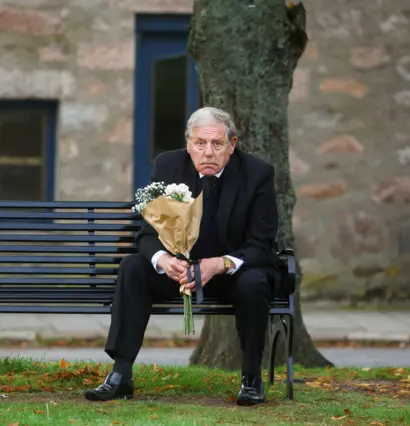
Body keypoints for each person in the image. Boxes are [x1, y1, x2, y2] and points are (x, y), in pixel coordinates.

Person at [84, 106, 281, 406]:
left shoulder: (257, 174)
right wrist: (164, 260)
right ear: (188, 144)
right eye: (200, 143)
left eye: (217, 144)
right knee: (133, 267)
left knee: (254, 282)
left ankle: (251, 379)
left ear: (232, 145)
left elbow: (261, 242)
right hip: (179, 273)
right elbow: (147, 234)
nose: (208, 152)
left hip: (231, 274)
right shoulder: (168, 165)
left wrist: (219, 264)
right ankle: (120, 375)